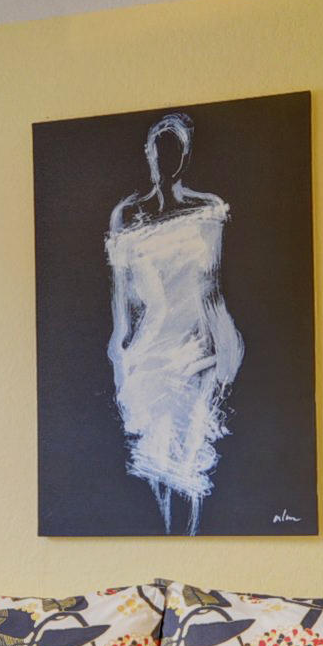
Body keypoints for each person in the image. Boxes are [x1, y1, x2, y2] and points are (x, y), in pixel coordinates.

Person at [105, 112, 243, 533]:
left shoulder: (207, 211)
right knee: (156, 467)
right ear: (149, 154)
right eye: (159, 149)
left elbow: (212, 290)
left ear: (185, 157)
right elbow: (121, 305)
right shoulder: (126, 216)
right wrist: (121, 360)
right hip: (150, 358)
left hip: (197, 354)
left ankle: (189, 555)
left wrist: (228, 349)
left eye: (175, 150)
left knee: (190, 468)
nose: (167, 159)